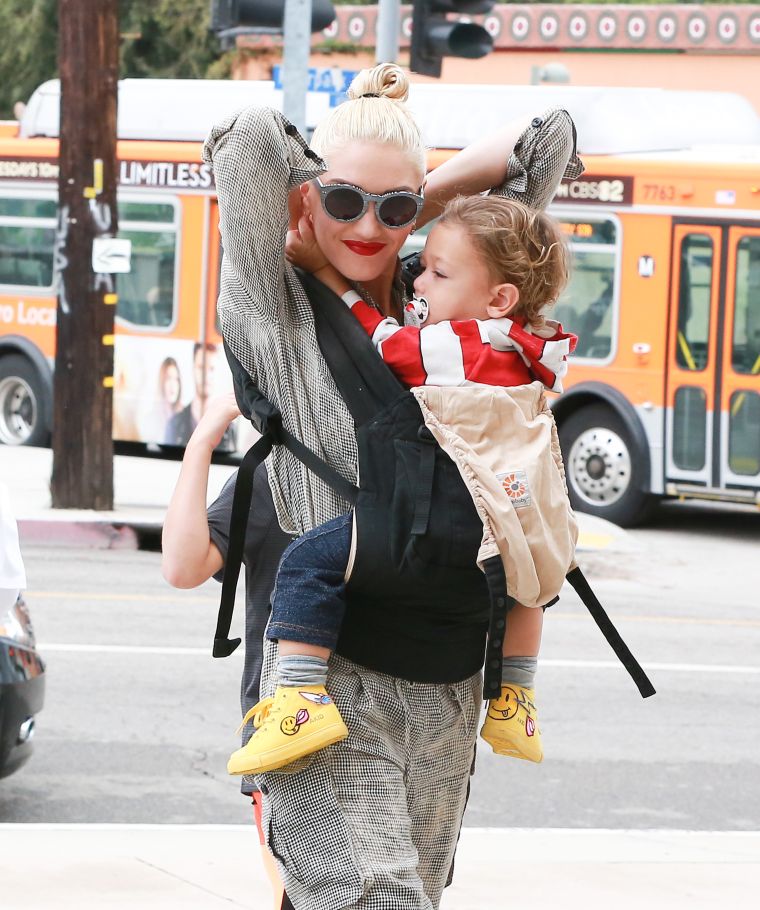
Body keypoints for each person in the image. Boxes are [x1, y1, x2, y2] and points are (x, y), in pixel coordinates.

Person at [204, 62, 582, 909]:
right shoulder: (275, 304)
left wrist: (420, 196)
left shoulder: (453, 295)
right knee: (372, 899)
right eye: (344, 202)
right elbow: (250, 139)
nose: (368, 225)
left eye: (394, 207)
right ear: (307, 198)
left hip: (451, 680)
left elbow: (545, 138)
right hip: (328, 674)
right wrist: (335, 195)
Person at [226, 194, 575, 778]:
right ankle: (516, 697)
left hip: (448, 510)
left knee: (309, 561)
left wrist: (327, 278)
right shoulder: (534, 345)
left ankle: (299, 699)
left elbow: (383, 341)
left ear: (498, 299)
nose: (420, 284)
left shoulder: (461, 344)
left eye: (437, 273)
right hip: (515, 512)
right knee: (529, 584)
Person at [161, 393, 294, 910]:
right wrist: (203, 440)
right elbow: (183, 565)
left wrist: (206, 434)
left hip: (321, 724)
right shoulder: (274, 473)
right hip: (286, 733)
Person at [164, 341, 219, 446]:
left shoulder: (229, 430)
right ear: (193, 369)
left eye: (211, 369)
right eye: (201, 367)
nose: (206, 375)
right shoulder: (174, 424)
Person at [140, 356, 183, 442]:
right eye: (168, 378)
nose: (173, 385)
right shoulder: (150, 419)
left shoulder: (185, 417)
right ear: (162, 381)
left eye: (176, 379)